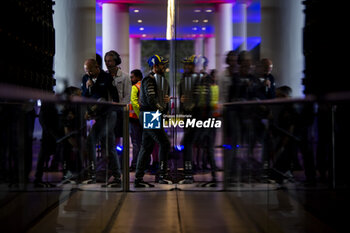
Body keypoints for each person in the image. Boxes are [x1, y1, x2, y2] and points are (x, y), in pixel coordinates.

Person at [81, 58, 121, 187]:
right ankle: (115, 176)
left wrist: (94, 86)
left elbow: (110, 96)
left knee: (93, 141)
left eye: (90, 70)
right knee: (108, 145)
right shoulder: (85, 78)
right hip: (97, 115)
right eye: (86, 71)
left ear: (97, 67)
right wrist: (88, 89)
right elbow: (84, 96)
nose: (88, 73)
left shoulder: (106, 77)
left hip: (109, 114)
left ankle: (95, 174)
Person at [134, 54, 172, 187]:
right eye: (162, 65)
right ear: (155, 67)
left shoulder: (160, 80)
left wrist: (165, 105)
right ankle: (161, 176)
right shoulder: (149, 80)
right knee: (165, 143)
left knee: (146, 147)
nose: (164, 67)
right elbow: (151, 100)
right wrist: (162, 108)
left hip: (153, 115)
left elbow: (164, 99)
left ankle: (138, 179)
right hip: (150, 115)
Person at [178, 55, 201, 184]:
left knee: (188, 143)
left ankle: (189, 171)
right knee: (187, 144)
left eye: (189, 64)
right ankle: (188, 171)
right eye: (185, 64)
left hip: (195, 116)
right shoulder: (183, 80)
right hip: (187, 116)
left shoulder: (197, 79)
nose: (187, 67)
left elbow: (198, 98)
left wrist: (190, 106)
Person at [104, 50, 132, 152]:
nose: (108, 63)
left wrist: (118, 107)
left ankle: (118, 162)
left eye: (110, 61)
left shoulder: (125, 77)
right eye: (106, 61)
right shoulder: (103, 76)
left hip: (119, 111)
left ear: (116, 61)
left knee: (117, 138)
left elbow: (127, 96)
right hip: (106, 111)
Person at [129, 69, 143, 171]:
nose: (131, 79)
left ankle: (135, 165)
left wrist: (139, 116)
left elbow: (134, 102)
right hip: (144, 117)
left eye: (132, 77)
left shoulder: (135, 87)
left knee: (135, 142)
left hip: (134, 118)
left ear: (138, 77)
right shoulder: (145, 86)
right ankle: (143, 164)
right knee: (143, 142)